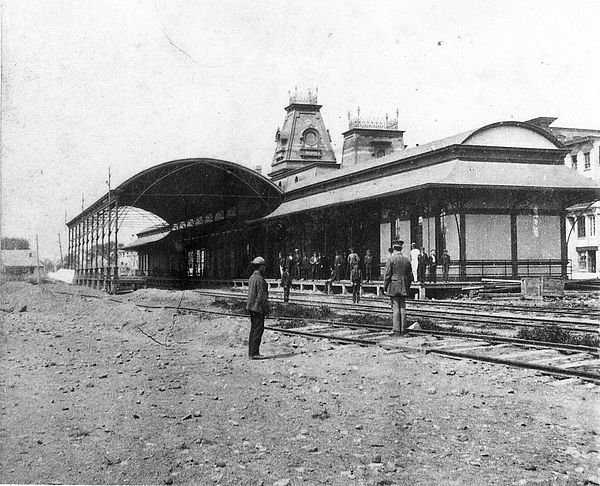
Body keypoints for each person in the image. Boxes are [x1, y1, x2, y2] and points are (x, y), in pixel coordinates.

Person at [384, 240, 413, 336]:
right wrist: (407, 286)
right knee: (403, 307)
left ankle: (396, 330)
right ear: (401, 248)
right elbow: (410, 275)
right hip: (404, 285)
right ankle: (403, 329)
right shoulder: (406, 259)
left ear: (393, 248)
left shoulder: (391, 259)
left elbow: (387, 275)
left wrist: (385, 287)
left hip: (394, 285)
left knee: (395, 307)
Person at [246, 256, 270, 359]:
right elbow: (261, 297)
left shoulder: (252, 277)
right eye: (263, 266)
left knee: (253, 329)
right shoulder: (260, 279)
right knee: (258, 330)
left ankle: (251, 352)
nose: (264, 268)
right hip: (258, 308)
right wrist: (266, 310)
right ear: (260, 267)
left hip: (251, 307)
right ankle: (254, 353)